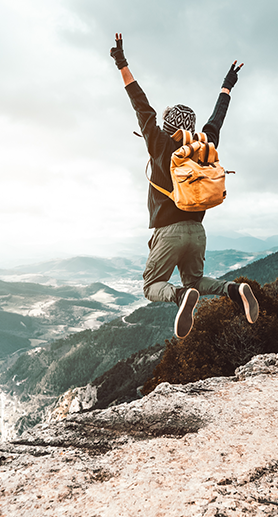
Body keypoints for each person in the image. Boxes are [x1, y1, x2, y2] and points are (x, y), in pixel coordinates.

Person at [111, 33, 259, 339]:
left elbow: (139, 102)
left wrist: (121, 62)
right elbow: (218, 118)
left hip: (168, 232)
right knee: (197, 281)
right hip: (197, 231)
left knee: (152, 286)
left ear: (166, 125)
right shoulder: (205, 145)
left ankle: (180, 297)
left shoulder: (159, 143)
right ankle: (234, 289)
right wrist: (227, 84)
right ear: (191, 128)